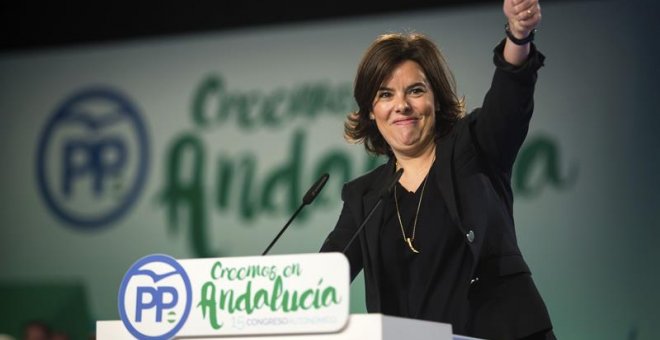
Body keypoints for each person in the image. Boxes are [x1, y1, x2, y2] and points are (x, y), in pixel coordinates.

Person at [319, 0, 555, 339]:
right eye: (385, 95)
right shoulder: (364, 197)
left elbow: (508, 102)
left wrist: (518, 37)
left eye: (415, 90)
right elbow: (322, 281)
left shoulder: (474, 147)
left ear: (435, 99)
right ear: (370, 111)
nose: (401, 105)